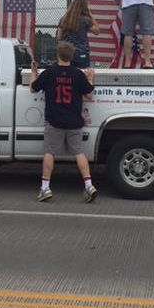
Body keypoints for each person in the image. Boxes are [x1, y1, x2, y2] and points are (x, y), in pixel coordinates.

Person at [29, 41, 97, 203]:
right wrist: (90, 78)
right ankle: (89, 185)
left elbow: (33, 88)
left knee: (50, 152)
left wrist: (33, 71)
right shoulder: (78, 74)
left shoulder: (49, 73)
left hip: (54, 120)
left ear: (57, 54)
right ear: (72, 56)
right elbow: (89, 95)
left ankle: (45, 188)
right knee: (79, 152)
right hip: (74, 120)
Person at [56, 0, 100, 68]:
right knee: (82, 76)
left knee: (68, 75)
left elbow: (59, 37)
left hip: (67, 53)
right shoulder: (85, 20)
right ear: (84, 7)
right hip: (82, 53)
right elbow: (97, 31)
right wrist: (90, 14)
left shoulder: (64, 19)